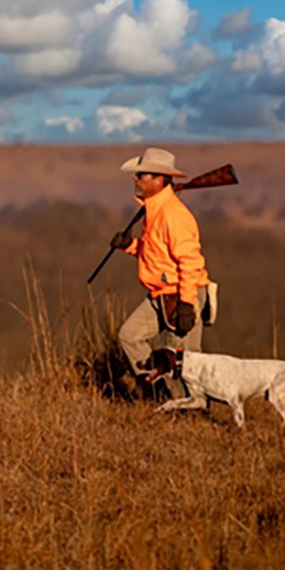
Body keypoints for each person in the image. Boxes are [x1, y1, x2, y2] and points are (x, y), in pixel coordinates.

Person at [110, 147, 209, 396]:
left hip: (181, 294)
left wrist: (187, 303)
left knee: (185, 365)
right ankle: (158, 391)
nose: (136, 179)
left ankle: (189, 415)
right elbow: (156, 255)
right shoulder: (154, 210)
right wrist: (130, 246)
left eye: (141, 175)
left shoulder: (173, 214)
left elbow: (190, 262)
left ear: (159, 179)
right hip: (160, 295)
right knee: (129, 336)